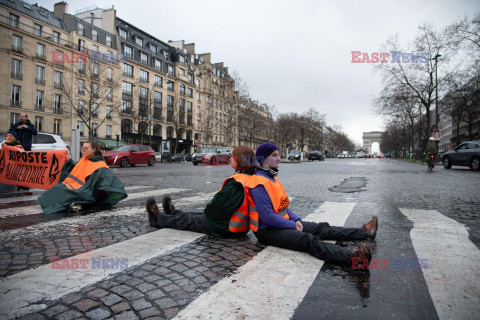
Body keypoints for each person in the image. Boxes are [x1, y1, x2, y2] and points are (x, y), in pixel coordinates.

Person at [248, 142, 378, 268]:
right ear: (264, 159)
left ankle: (364, 232)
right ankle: (354, 259)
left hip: (281, 223)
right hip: (266, 231)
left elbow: (283, 207)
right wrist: (293, 225)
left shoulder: (271, 178)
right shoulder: (258, 183)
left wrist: (296, 219)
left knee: (322, 228)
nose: (279, 158)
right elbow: (267, 217)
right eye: (274, 155)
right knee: (308, 240)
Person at [145, 146, 256, 238]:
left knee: (189, 220)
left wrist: (207, 213)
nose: (230, 158)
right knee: (194, 215)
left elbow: (215, 208)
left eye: (233, 156)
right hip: (237, 226)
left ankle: (157, 219)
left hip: (225, 227)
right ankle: (173, 213)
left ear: (239, 159)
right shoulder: (249, 177)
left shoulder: (236, 183)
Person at [38, 140, 127, 214]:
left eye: (86, 148)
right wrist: (69, 161)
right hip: (76, 187)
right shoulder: (83, 160)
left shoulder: (100, 165)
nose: (83, 150)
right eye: (82, 148)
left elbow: (109, 180)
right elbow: (74, 169)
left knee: (63, 193)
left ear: (94, 149)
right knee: (57, 189)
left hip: (85, 191)